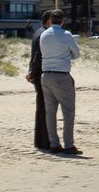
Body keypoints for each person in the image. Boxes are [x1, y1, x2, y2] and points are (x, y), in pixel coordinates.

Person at [39, 9, 82, 155]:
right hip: (61, 76)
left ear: (50, 20)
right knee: (68, 111)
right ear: (62, 21)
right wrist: (66, 54)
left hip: (46, 75)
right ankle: (68, 145)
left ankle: (54, 144)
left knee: (50, 112)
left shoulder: (44, 35)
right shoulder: (66, 35)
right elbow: (76, 54)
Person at [25, 11, 52, 150]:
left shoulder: (39, 32)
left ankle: (41, 141)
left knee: (41, 109)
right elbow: (37, 56)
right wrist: (32, 73)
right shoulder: (44, 34)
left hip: (37, 74)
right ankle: (43, 141)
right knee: (43, 109)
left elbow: (34, 56)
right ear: (49, 21)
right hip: (41, 74)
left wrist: (31, 72)